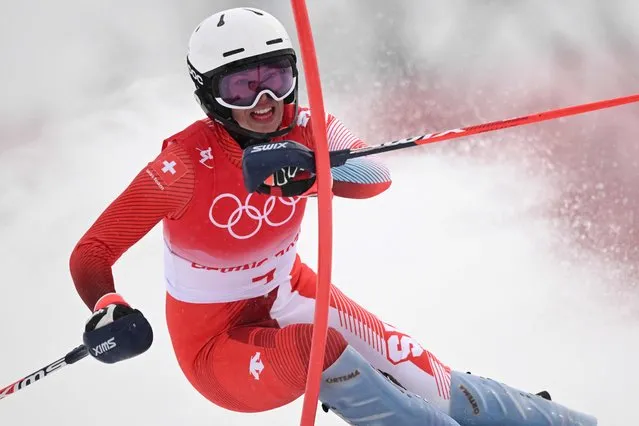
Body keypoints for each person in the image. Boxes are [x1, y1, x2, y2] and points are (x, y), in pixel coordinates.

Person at [70, 7, 597, 426]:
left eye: (275, 77)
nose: (265, 100)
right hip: (215, 346)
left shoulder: (307, 126)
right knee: (314, 348)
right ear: (210, 94)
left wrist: (311, 171)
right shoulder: (182, 165)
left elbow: (374, 177)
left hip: (289, 291)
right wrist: (109, 305)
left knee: (437, 386)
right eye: (241, 87)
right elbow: (91, 254)